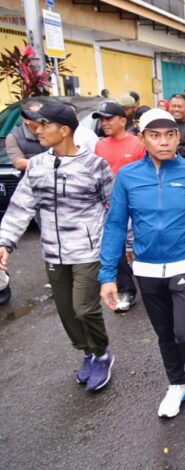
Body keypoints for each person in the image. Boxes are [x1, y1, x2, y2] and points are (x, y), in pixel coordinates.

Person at [99, 108, 185, 423]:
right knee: (165, 334)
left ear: (178, 136)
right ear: (142, 138)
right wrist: (107, 276)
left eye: (170, 134)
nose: (164, 142)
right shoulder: (128, 176)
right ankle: (176, 383)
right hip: (147, 268)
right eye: (155, 135)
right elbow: (115, 225)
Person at [0, 101, 115, 392]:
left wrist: (123, 245)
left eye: (43, 125)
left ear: (63, 130)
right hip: (53, 250)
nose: (36, 129)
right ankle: (87, 352)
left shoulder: (94, 165)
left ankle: (102, 353)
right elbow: (20, 207)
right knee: (66, 311)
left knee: (84, 308)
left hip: (88, 250)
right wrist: (5, 243)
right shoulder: (37, 166)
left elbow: (114, 207)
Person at [92, 100, 146, 313]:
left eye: (109, 119)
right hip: (109, 206)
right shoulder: (100, 145)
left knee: (138, 248)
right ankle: (127, 290)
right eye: (102, 120)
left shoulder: (137, 145)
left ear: (123, 120)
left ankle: (152, 284)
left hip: (136, 206)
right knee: (117, 247)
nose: (104, 123)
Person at [7, 100, 48, 171]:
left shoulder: (52, 130)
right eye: (37, 114)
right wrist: (50, 163)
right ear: (26, 119)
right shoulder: (14, 137)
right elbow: (19, 163)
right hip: (31, 179)